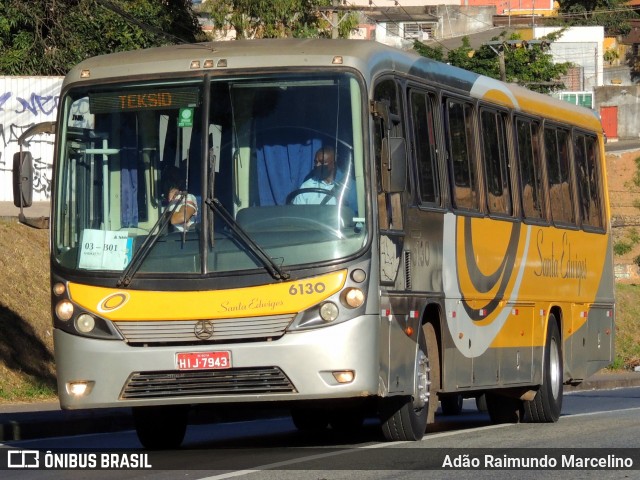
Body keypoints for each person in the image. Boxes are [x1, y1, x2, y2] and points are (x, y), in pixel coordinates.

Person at [164, 167, 198, 232]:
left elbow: (182, 217)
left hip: (183, 237)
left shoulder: (187, 197)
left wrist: (164, 216)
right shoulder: (162, 200)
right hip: (167, 238)